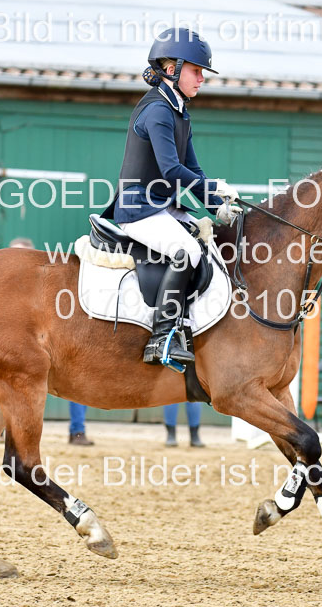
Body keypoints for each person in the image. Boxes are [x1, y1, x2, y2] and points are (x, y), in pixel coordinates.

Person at [103, 27, 243, 366]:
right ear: (172, 70)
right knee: (187, 250)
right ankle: (162, 336)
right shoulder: (157, 111)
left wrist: (218, 207)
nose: (201, 79)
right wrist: (212, 194)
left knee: (208, 244)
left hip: (160, 206)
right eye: (196, 71)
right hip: (138, 207)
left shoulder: (180, 113)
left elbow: (193, 169)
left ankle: (190, 325)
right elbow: (171, 170)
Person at [9, 237, 94, 446]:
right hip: (21, 348)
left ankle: (78, 431)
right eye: (12, 255)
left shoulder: (50, 285)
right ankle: (7, 429)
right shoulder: (4, 290)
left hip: (53, 344)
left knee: (77, 378)